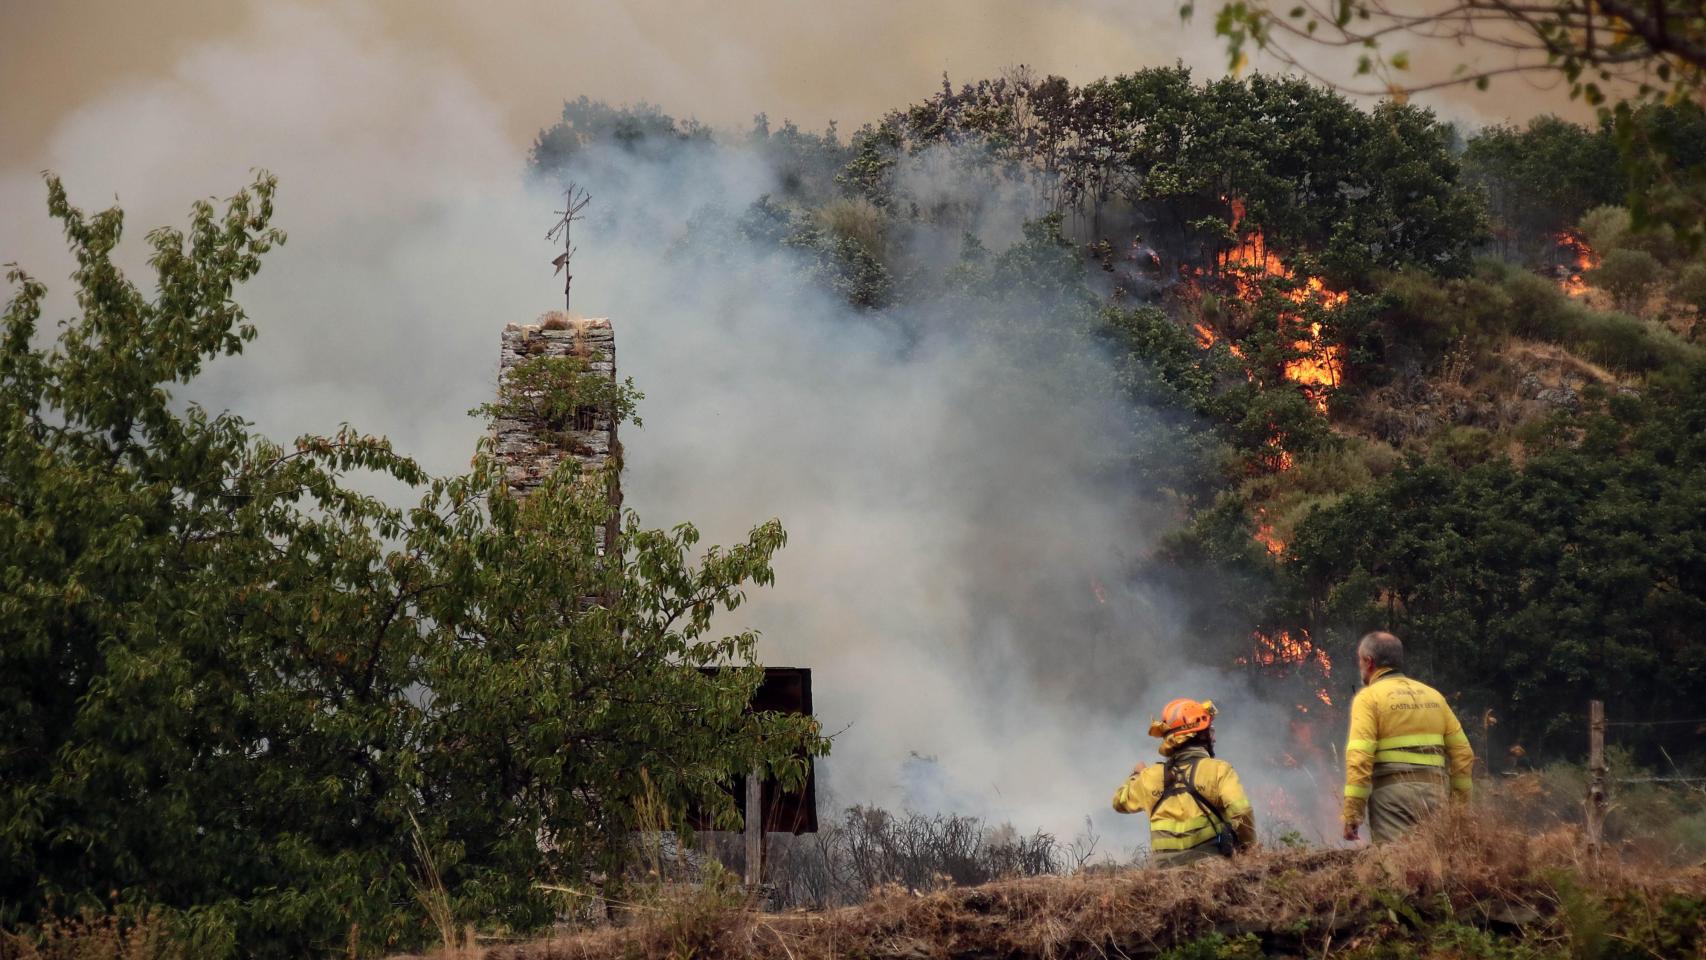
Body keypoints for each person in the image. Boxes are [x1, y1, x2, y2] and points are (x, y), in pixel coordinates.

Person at [1342, 631, 1475, 843]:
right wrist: (1459, 807)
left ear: (1369, 662)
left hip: (1392, 800)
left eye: (1360, 660)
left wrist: (1352, 814)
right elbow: (1463, 753)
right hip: (1436, 794)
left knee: (1395, 859)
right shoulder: (1434, 696)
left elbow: (1360, 758)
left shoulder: (1369, 698)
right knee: (1435, 857)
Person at [1112, 697, 1257, 866]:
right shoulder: (1219, 769)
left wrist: (1137, 775)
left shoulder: (1149, 777)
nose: (1214, 739)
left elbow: (1119, 802)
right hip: (1212, 870)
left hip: (1164, 876)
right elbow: (1242, 811)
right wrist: (1248, 851)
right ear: (1200, 735)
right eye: (1210, 732)